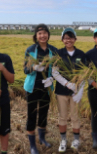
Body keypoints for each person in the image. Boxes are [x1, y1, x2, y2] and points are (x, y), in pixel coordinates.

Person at [23, 24, 58, 154]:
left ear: (48, 35)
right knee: (31, 115)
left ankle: (42, 139)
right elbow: (25, 69)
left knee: (43, 114)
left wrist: (52, 78)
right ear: (36, 36)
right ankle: (32, 145)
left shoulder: (54, 51)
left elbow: (58, 69)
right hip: (32, 88)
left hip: (46, 88)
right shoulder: (31, 50)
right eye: (40, 33)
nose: (42, 36)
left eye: (45, 33)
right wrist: (34, 68)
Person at [50, 28, 86, 152]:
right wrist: (67, 83)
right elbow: (54, 72)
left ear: (75, 39)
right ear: (62, 40)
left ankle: (76, 140)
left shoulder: (81, 54)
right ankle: (63, 140)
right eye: (66, 38)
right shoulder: (58, 54)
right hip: (61, 92)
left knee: (76, 117)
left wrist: (80, 90)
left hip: (75, 92)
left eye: (71, 37)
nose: (68, 40)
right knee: (62, 117)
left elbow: (85, 73)